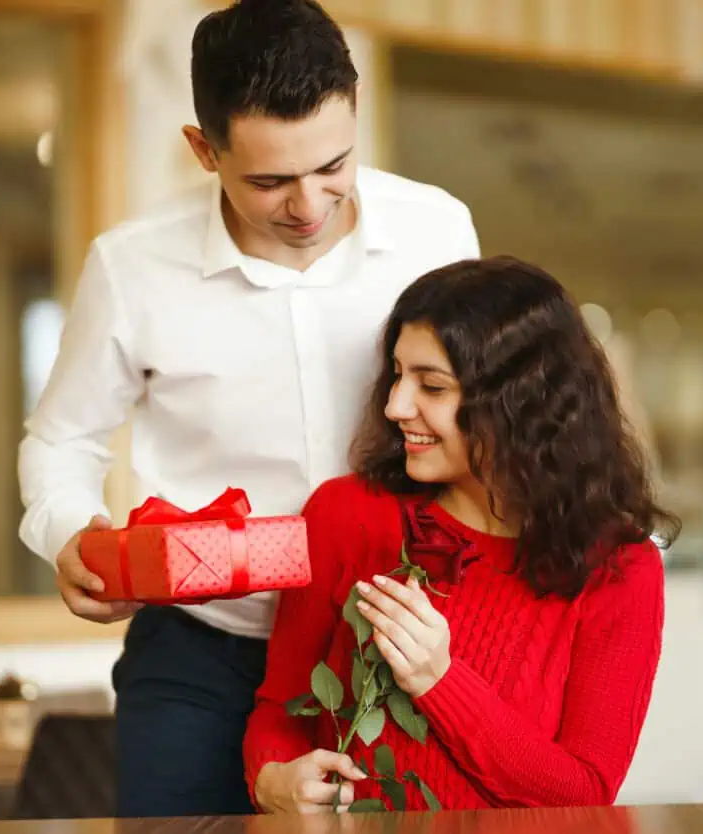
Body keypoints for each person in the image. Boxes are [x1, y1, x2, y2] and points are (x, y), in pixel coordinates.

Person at [16, 0, 480, 818]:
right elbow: (61, 439)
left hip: (389, 639)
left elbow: (489, 419)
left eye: (333, 163)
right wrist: (72, 534)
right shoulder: (132, 267)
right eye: (270, 179)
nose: (309, 203)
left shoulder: (436, 230)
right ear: (204, 149)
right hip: (199, 648)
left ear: (356, 108)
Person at [244, 256, 678, 813]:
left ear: (520, 403)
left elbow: (584, 796)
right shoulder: (345, 514)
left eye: (432, 386)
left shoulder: (621, 568)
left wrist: (438, 680)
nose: (395, 405)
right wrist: (272, 782)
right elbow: (279, 710)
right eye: (397, 375)